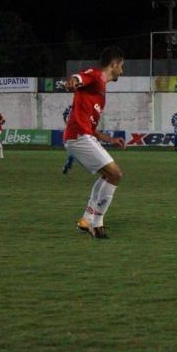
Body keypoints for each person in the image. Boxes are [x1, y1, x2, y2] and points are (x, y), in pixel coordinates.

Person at [64, 46, 127, 239]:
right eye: (121, 66)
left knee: (108, 176)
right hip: (78, 136)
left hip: (84, 135)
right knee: (115, 174)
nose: (122, 71)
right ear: (114, 64)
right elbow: (81, 77)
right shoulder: (97, 76)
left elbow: (92, 128)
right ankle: (96, 223)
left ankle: (86, 220)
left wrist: (111, 139)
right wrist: (73, 81)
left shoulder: (99, 88)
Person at [62, 105, 75, 173]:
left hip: (67, 135)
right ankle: (68, 165)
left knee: (73, 152)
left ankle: (68, 165)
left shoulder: (67, 114)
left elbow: (64, 116)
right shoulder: (74, 114)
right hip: (73, 135)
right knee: (74, 152)